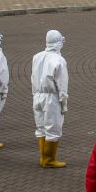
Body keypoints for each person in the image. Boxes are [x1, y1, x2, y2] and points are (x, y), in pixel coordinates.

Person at [32, 29, 70, 168]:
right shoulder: (59, 60)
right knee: (53, 128)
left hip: (37, 95)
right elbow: (62, 84)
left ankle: (43, 157)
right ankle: (49, 159)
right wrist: (63, 102)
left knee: (41, 127)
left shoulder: (37, 56)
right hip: (52, 97)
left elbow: (33, 77)